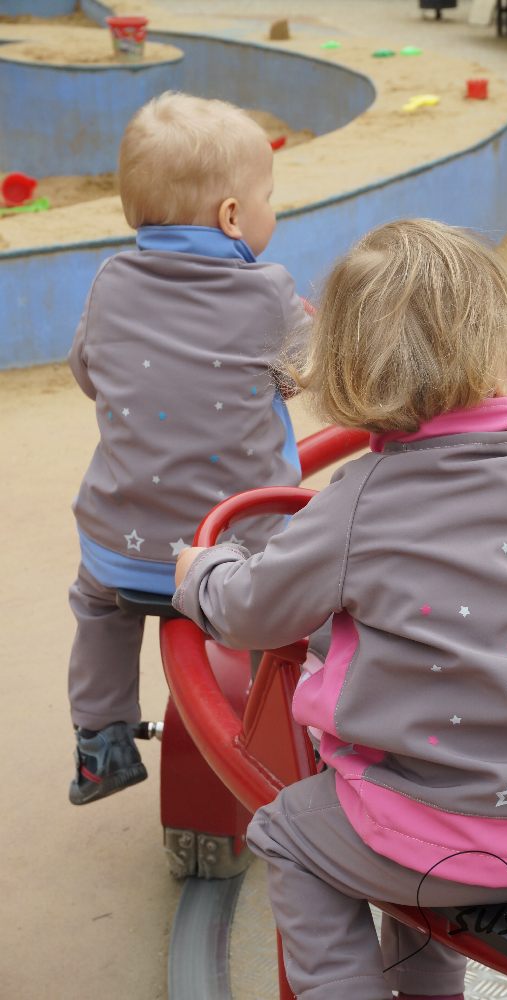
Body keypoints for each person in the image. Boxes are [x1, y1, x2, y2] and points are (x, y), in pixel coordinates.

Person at [173, 219, 507, 1000]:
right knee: (412, 817)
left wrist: (201, 572)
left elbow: (249, 612)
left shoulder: (359, 500)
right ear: (491, 359)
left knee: (292, 832)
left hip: (444, 830)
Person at [67, 91, 310, 806]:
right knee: (297, 602)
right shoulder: (269, 292)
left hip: (124, 548)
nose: (271, 211)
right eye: (268, 198)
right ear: (232, 216)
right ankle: (300, 730)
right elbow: (301, 373)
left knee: (96, 606)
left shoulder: (111, 281)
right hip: (236, 551)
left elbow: (88, 373)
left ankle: (101, 741)